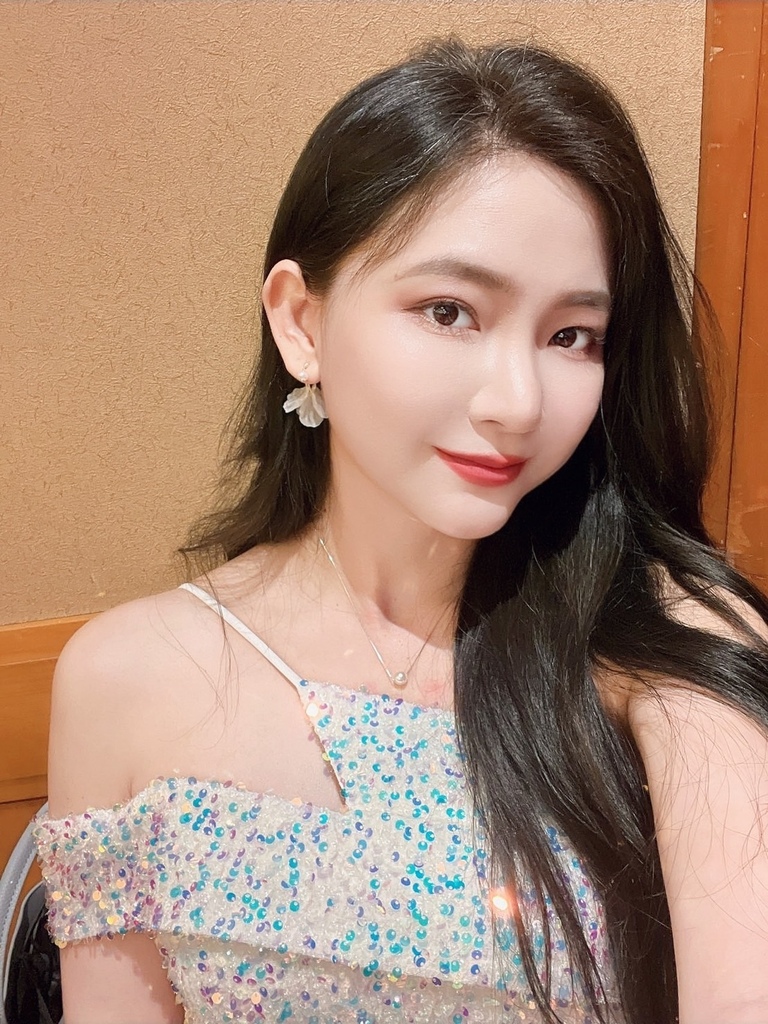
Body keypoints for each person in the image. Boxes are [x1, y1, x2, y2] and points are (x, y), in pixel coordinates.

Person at [33, 36, 768, 1024]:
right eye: (450, 311)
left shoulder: (665, 639)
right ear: (302, 323)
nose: (517, 402)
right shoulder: (126, 677)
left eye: (571, 335)